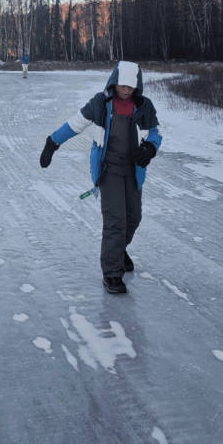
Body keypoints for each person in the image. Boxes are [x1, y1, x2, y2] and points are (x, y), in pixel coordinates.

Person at [39, 61, 162, 295]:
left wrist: (149, 149)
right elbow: (75, 124)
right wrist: (52, 142)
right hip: (109, 171)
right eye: (122, 85)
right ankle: (112, 274)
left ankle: (118, 251)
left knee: (133, 218)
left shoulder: (144, 106)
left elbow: (155, 133)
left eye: (130, 86)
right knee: (116, 221)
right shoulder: (101, 103)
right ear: (114, 82)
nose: (126, 90)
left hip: (134, 170)